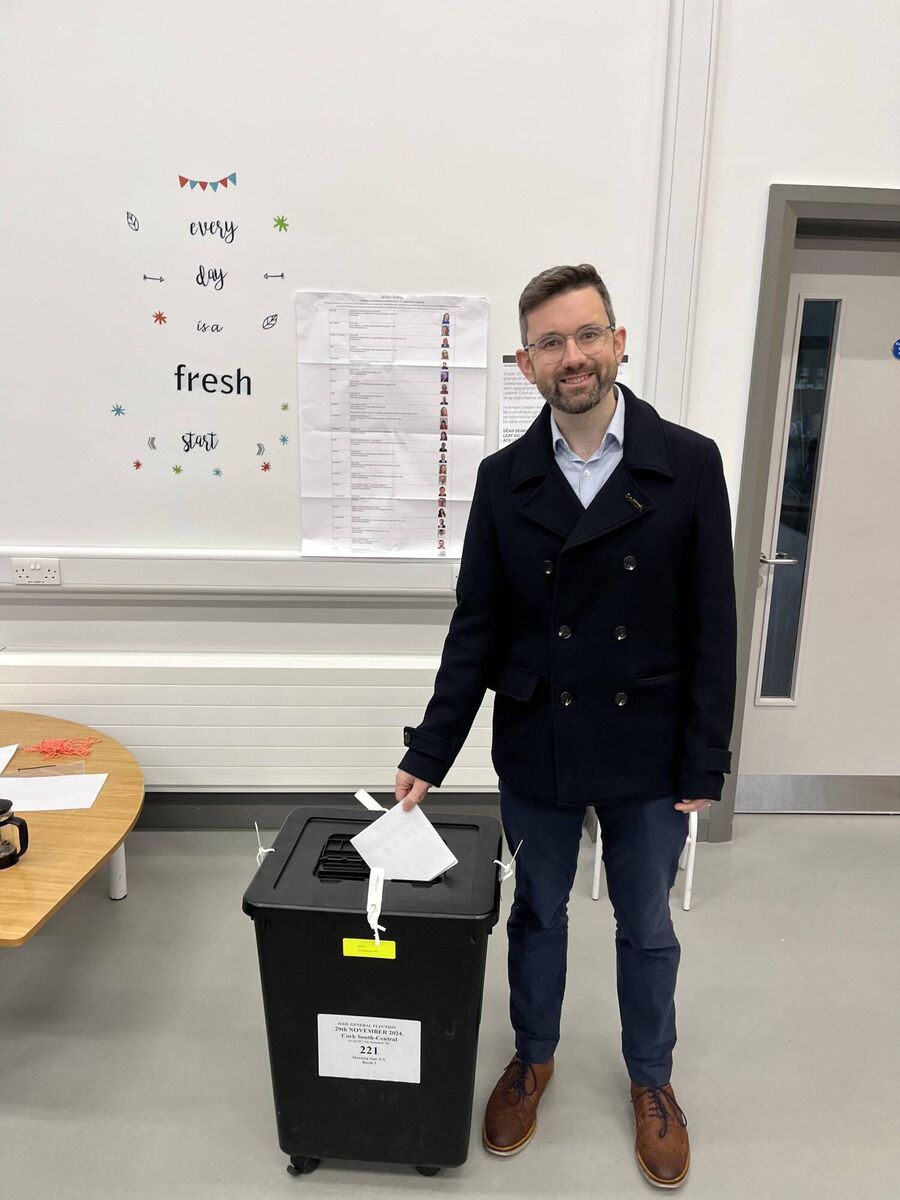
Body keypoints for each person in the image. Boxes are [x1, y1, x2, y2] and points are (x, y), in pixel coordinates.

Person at [396, 263, 736, 1189]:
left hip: (650, 746)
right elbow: (476, 627)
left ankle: (652, 1082)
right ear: (525, 363)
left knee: (646, 927)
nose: (572, 356)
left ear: (619, 343)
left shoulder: (690, 463)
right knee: (538, 915)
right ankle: (533, 1056)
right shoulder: (504, 480)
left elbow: (715, 626)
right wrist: (430, 750)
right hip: (541, 739)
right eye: (551, 342)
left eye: (588, 335)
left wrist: (707, 755)